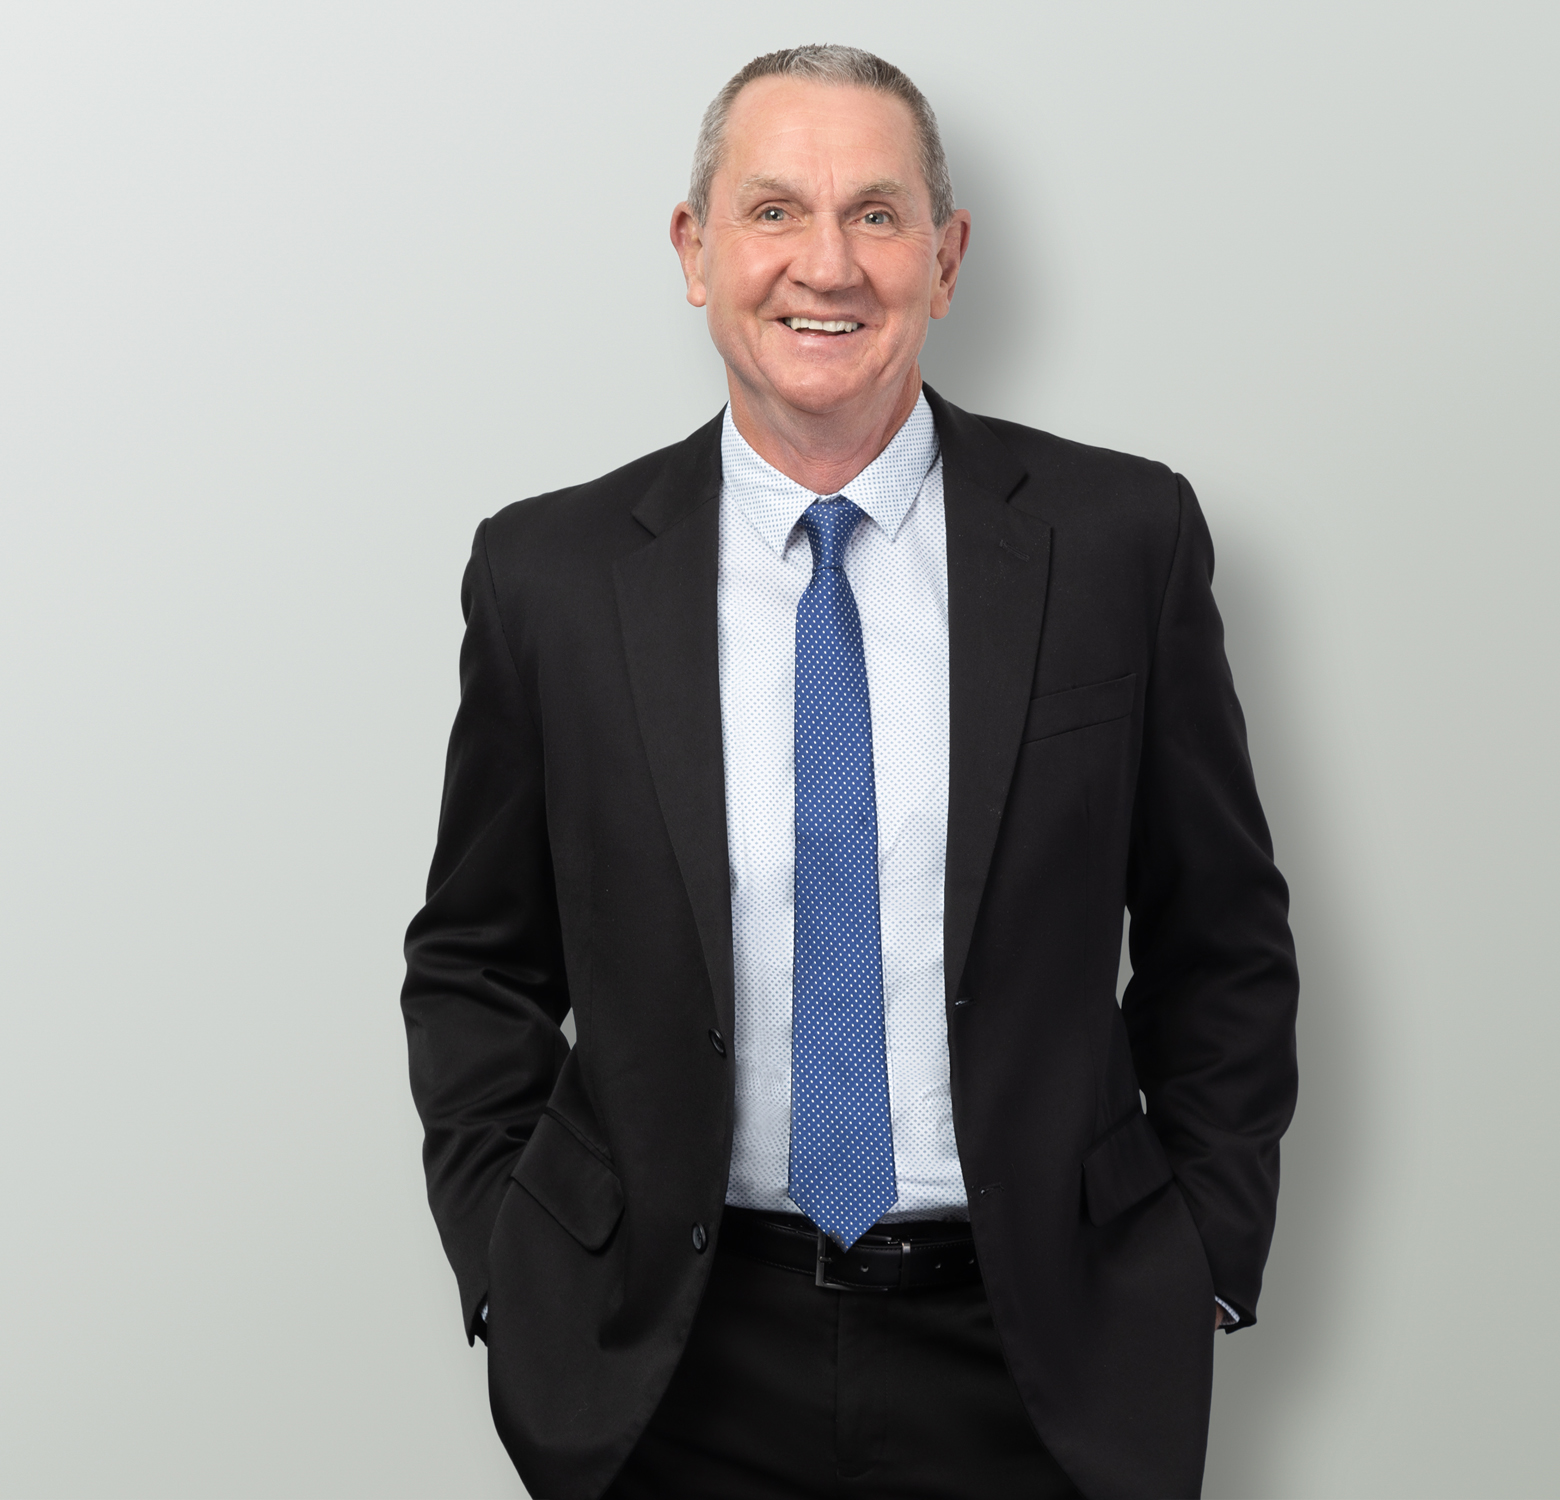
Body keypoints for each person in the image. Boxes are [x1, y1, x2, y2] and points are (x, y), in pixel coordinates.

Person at [402, 43, 1298, 1500]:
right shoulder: (548, 578)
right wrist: (517, 1269)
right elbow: (476, 962)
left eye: (876, 214)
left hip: (1041, 1358)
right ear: (695, 251)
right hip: (666, 1364)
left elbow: (1227, 941)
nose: (826, 264)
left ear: (946, 259)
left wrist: (1192, 1261)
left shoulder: (1117, 543)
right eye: (773, 212)